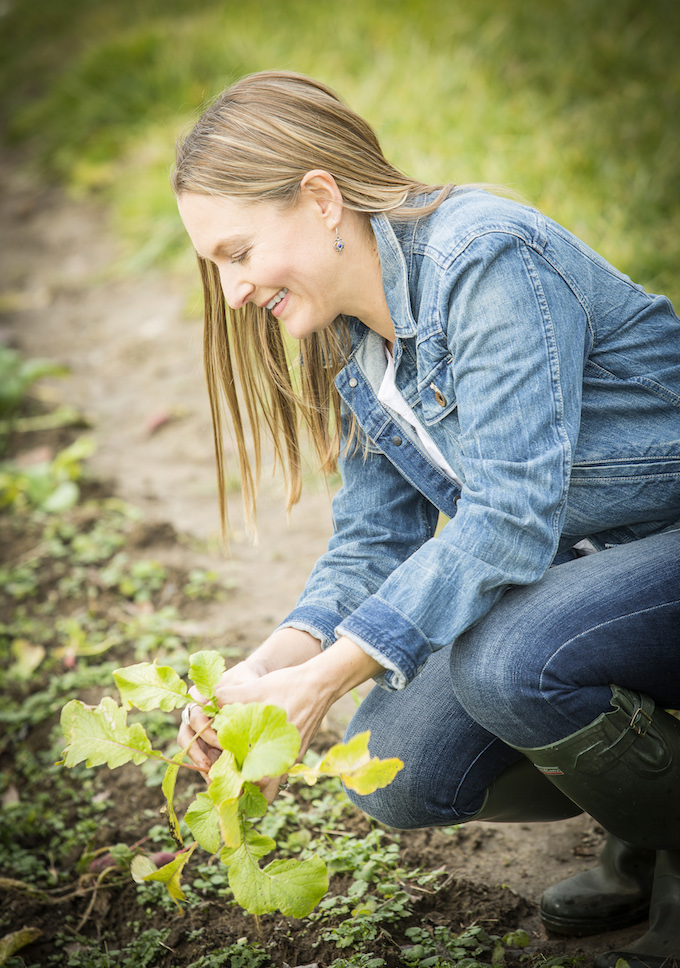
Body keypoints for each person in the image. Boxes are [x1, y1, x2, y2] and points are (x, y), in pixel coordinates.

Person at [172, 70, 680, 968]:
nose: (234, 290)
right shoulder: (355, 340)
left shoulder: (485, 258)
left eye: (237, 252)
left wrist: (326, 679)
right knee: (396, 768)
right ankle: (649, 816)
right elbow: (373, 542)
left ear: (321, 198)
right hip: (596, 576)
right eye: (216, 265)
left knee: (512, 657)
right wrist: (261, 675)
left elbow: (511, 519)